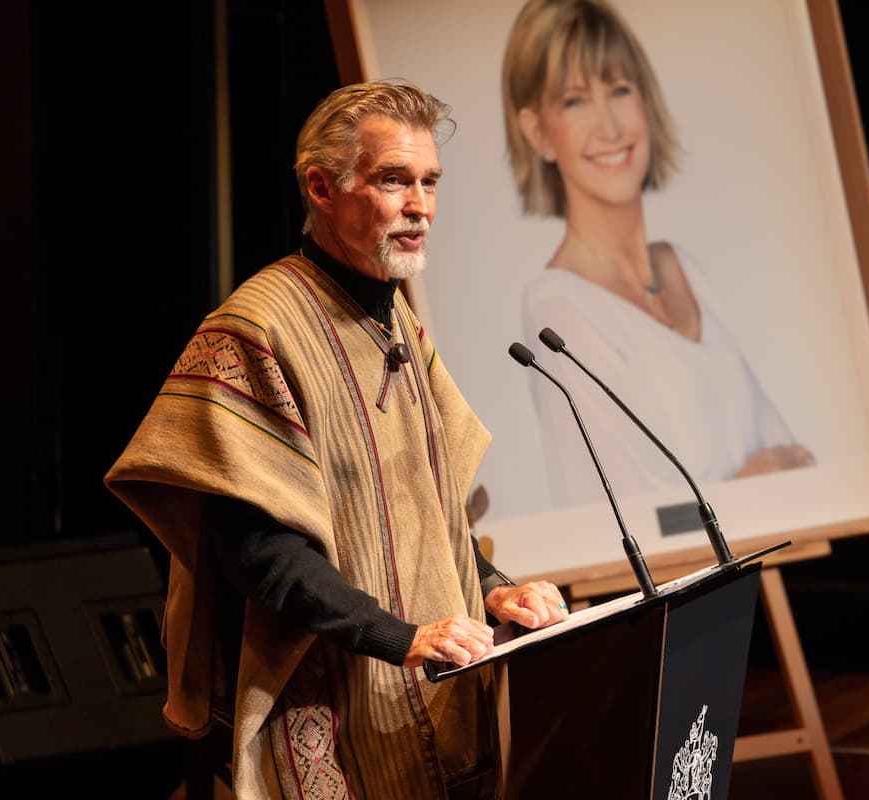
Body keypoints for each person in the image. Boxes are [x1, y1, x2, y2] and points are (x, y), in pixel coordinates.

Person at [105, 80, 568, 800]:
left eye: (429, 182)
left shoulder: (399, 325)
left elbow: (431, 516)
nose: (420, 205)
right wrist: (402, 637)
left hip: (428, 694)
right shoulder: (254, 330)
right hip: (328, 714)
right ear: (322, 187)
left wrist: (494, 592)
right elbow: (260, 553)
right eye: (394, 180)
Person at [501, 0, 815, 509]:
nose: (611, 128)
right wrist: (754, 479)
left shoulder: (686, 267)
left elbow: (796, 461)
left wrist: (759, 477)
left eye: (620, 90)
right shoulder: (557, 310)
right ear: (537, 131)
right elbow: (631, 518)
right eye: (576, 101)